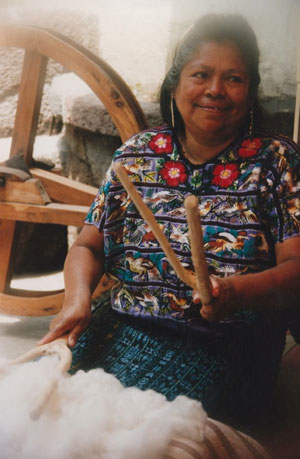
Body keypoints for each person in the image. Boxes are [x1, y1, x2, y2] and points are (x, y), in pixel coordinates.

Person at [40, 13, 300, 435]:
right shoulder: (137, 156)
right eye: (201, 74)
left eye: (233, 78)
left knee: (136, 435)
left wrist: (234, 293)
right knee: (45, 411)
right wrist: (77, 299)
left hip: (225, 343)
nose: (215, 89)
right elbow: (89, 246)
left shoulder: (276, 162)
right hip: (121, 324)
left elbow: (296, 270)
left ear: (251, 90)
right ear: (175, 85)